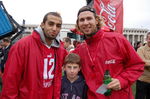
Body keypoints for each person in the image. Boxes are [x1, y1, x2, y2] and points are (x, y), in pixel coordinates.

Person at [73, 6, 144, 99]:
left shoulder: (117, 39)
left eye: (89, 18)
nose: (85, 22)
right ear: (78, 24)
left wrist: (122, 80)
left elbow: (137, 65)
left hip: (118, 96)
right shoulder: (79, 49)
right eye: (82, 20)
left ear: (97, 20)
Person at [0, 12, 67, 99]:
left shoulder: (60, 49)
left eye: (58, 26)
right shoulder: (22, 46)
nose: (54, 28)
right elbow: (10, 81)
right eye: (51, 24)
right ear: (42, 25)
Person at [135, 31, 150, 99]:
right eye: (149, 38)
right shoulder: (141, 49)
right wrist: (146, 62)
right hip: (142, 80)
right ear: (146, 39)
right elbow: (143, 62)